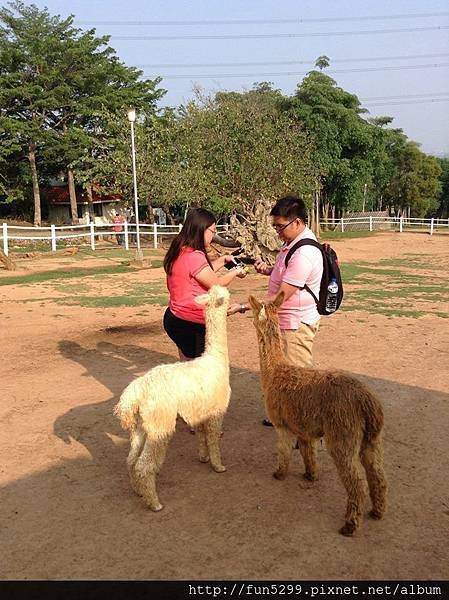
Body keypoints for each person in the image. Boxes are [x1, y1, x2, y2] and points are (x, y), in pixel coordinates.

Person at [228, 195, 323, 426]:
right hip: (286, 321)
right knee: (284, 371)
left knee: (298, 375)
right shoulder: (292, 244)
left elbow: (279, 298)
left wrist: (242, 306)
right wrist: (269, 270)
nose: (277, 232)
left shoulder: (304, 254)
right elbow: (284, 272)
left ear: (297, 223)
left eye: (281, 226)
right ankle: (285, 414)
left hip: (295, 323)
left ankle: (305, 426)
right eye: (275, 227)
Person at [163, 207, 246, 362]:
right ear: (201, 229)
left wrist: (222, 260)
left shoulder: (181, 250)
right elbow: (217, 285)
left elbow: (201, 274)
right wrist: (236, 271)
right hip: (190, 322)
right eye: (212, 231)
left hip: (175, 316)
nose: (213, 236)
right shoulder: (195, 256)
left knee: (186, 366)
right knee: (198, 371)